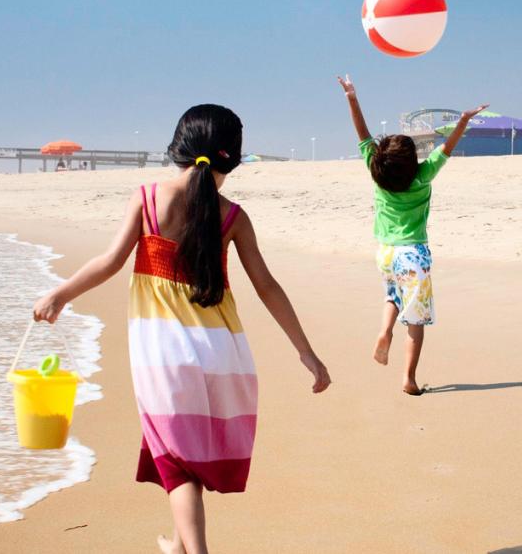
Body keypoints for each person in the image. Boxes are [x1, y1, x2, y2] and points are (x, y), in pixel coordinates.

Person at [32, 104, 330, 554]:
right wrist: (306, 352)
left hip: (163, 353)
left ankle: (196, 552)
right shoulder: (233, 216)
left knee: (175, 461)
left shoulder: (151, 198)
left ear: (179, 147)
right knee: (184, 455)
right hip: (222, 355)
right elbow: (267, 285)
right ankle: (180, 544)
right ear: (233, 158)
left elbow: (110, 262)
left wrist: (60, 294)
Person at [337, 74, 486, 396]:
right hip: (413, 255)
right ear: (413, 162)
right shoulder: (422, 176)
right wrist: (462, 120)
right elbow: (447, 148)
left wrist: (352, 97)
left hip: (386, 253)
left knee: (392, 296)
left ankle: (384, 330)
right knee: (416, 322)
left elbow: (363, 135)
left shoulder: (375, 172)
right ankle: (409, 378)